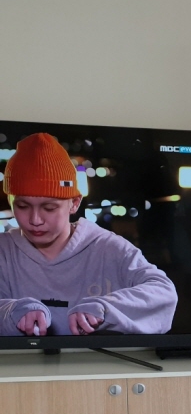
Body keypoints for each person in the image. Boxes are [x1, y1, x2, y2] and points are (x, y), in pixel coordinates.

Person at [0, 132, 178, 337]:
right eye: (22, 206)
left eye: (49, 208)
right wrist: (11, 313)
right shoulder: (4, 251)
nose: (35, 220)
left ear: (74, 203)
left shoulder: (108, 248)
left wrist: (106, 308)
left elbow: (163, 293)